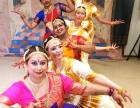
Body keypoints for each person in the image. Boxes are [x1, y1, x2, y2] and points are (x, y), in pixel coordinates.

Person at [0, 46, 129, 108]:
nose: (39, 68)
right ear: (26, 66)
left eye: (42, 63)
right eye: (34, 63)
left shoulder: (57, 78)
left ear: (47, 64)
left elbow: (83, 89)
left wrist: (110, 91)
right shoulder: (19, 87)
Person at [43, 36, 132, 108]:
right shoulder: (47, 68)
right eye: (54, 48)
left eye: (60, 46)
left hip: (84, 97)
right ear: (48, 53)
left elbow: (95, 77)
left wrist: (119, 89)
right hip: (64, 103)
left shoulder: (73, 64)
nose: (58, 50)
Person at [52, 11, 118, 65]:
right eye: (55, 27)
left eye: (60, 25)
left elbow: (92, 48)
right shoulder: (53, 42)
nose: (58, 28)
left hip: (76, 66)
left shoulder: (79, 36)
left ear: (66, 27)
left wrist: (76, 46)